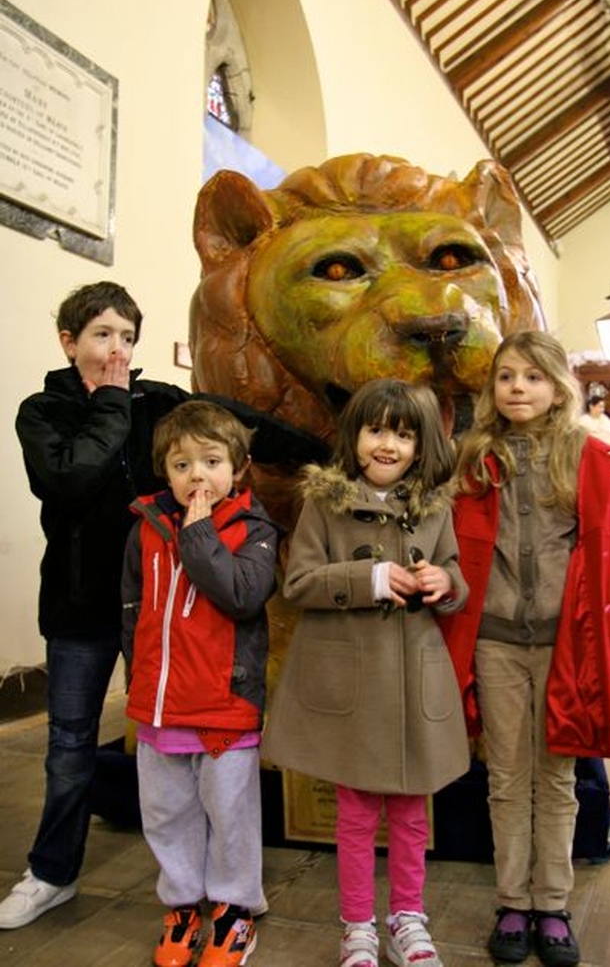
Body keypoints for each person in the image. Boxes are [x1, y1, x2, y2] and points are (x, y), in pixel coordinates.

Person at [0, 281, 318, 931]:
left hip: (168, 611)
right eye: (101, 335)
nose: (117, 349)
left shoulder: (160, 402)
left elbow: (237, 423)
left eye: (126, 337)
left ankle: (210, 892)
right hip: (81, 604)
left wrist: (332, 453)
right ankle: (52, 873)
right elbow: (71, 476)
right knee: (68, 746)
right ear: (69, 343)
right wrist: (113, 401)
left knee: (174, 753)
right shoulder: (45, 410)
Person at [261, 379, 470, 967]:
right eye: (376, 430)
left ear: (420, 446)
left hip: (411, 686)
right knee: (355, 816)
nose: (388, 445)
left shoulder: (433, 507)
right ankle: (357, 925)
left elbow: (454, 571)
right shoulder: (322, 504)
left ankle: (408, 915)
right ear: (353, 438)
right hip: (352, 688)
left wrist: (444, 583)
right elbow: (298, 583)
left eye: (403, 435)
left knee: (410, 814)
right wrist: (371, 579)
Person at [442, 331, 610, 967]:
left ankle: (551, 904)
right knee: (504, 776)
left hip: (566, 645)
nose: (517, 387)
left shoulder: (588, 458)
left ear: (557, 387)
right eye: (505, 377)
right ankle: (511, 902)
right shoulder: (471, 459)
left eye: (531, 377)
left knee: (556, 778)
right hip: (495, 642)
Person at [122, 399, 278, 967]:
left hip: (223, 704)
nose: (197, 476)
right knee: (167, 810)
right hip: (160, 705)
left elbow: (241, 594)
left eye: (211, 462)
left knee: (229, 812)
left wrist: (199, 534)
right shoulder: (145, 526)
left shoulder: (255, 529)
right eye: (181, 465)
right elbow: (132, 611)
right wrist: (139, 683)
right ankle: (184, 902)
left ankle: (235, 908)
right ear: (165, 471)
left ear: (238, 468)